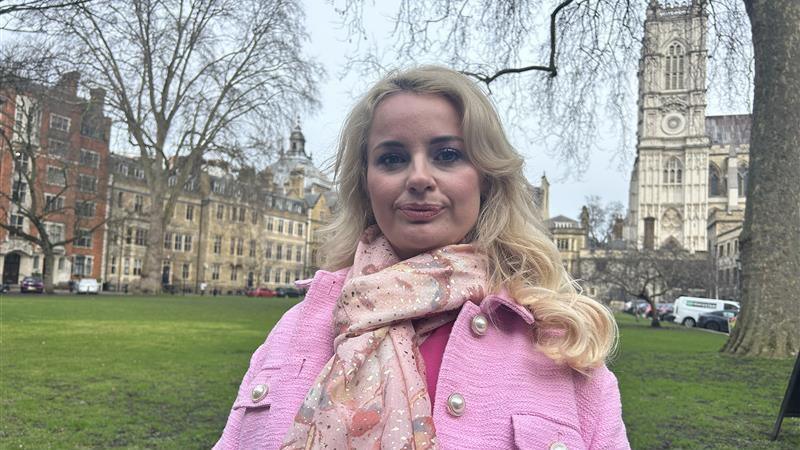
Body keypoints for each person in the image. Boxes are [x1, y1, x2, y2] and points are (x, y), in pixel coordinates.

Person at [215, 66, 629, 449]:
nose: (418, 177)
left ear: (485, 178)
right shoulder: (295, 329)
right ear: (366, 182)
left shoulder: (560, 343)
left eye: (447, 155)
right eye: (392, 158)